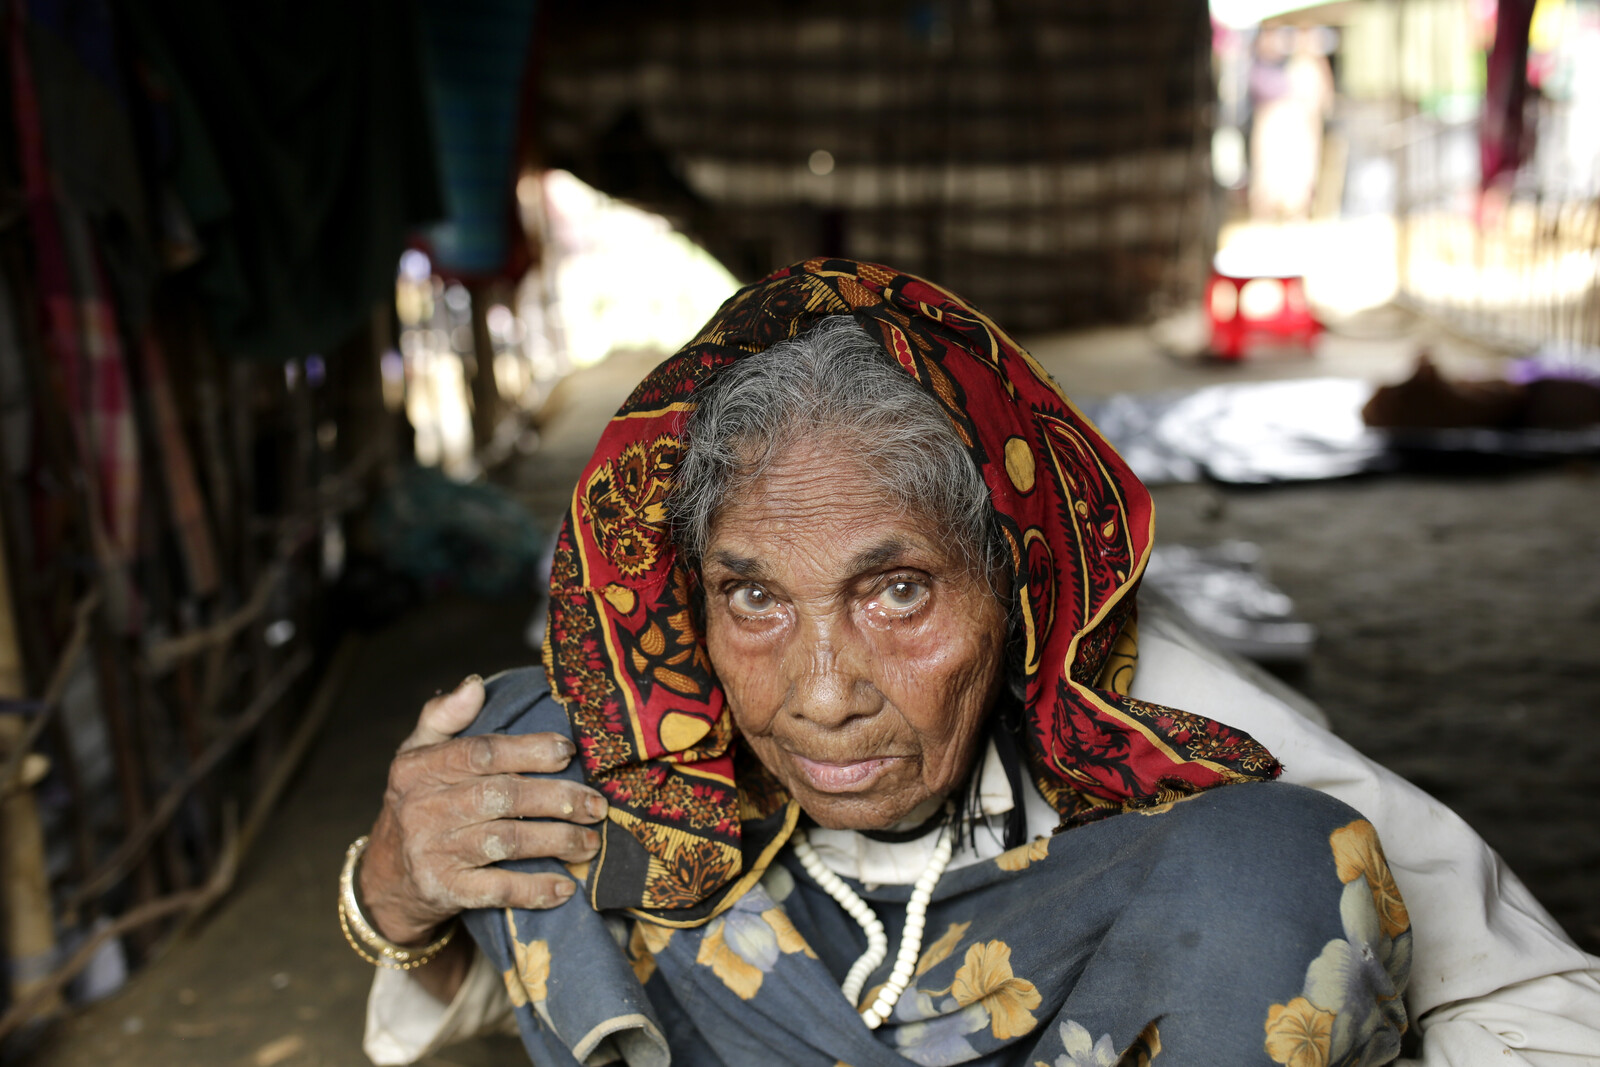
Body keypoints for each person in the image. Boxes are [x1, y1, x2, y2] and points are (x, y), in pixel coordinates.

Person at [346, 260, 1600, 1066]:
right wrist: (395, 894)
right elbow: (521, 963)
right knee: (521, 737)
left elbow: (1531, 995)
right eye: (753, 597)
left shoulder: (1142, 696)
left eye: (896, 590)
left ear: (1010, 579)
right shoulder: (647, 721)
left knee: (1274, 864)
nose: (824, 690)